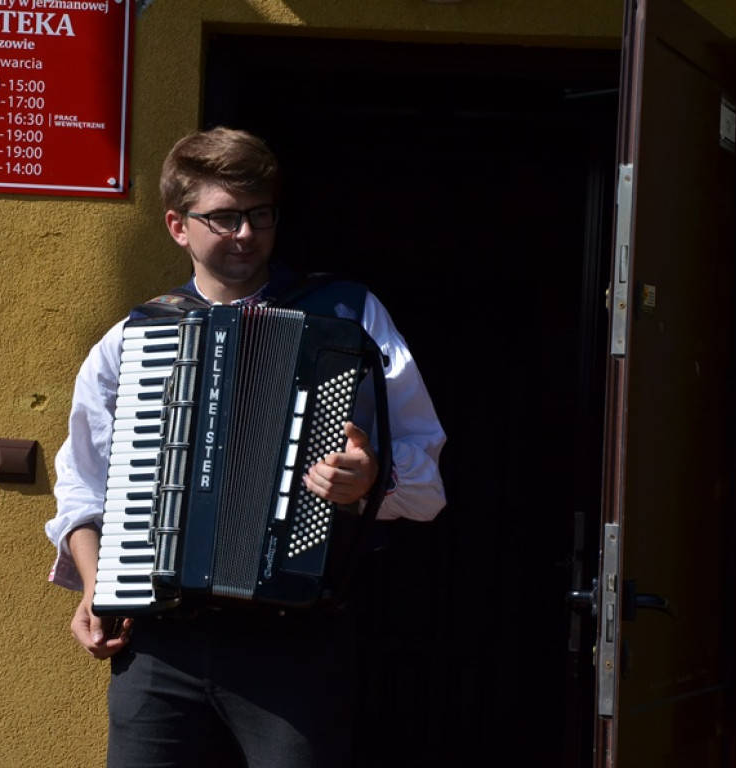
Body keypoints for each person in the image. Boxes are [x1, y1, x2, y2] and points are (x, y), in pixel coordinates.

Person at [45, 126, 446, 768]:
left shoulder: (348, 314)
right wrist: (96, 586)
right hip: (159, 648)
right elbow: (84, 488)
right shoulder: (133, 340)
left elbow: (426, 476)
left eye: (260, 215)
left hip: (294, 644)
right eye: (224, 218)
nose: (246, 234)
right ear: (178, 226)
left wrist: (369, 479)